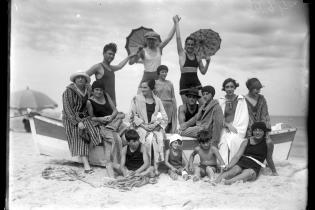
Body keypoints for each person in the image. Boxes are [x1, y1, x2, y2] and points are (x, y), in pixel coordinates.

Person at [62, 71, 101, 174]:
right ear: (74, 80)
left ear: (85, 81)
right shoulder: (69, 91)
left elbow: (92, 103)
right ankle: (86, 166)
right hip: (70, 118)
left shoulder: (88, 90)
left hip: (83, 116)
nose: (80, 79)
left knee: (95, 128)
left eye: (82, 78)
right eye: (78, 77)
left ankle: (91, 152)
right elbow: (67, 108)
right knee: (80, 133)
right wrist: (76, 122)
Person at [128, 79, 168, 176]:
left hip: (154, 126)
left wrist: (155, 125)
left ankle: (155, 166)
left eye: (145, 87)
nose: (142, 89)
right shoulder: (136, 99)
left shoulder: (157, 100)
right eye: (141, 87)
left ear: (151, 88)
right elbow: (132, 115)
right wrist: (143, 125)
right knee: (150, 138)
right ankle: (148, 165)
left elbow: (164, 116)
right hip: (140, 126)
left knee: (157, 136)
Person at [86, 80, 125, 178]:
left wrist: (111, 117)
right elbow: (91, 117)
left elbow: (115, 110)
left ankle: (113, 164)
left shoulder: (106, 95)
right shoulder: (89, 102)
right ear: (93, 91)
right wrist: (101, 119)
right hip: (103, 125)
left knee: (126, 137)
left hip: (114, 122)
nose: (99, 92)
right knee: (116, 140)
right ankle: (116, 165)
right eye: (97, 90)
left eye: (101, 90)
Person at [129, 15, 179, 88]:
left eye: (153, 39)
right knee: (140, 95)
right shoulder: (142, 51)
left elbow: (169, 38)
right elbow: (131, 62)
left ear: (156, 40)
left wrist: (175, 24)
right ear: (146, 40)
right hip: (147, 76)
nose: (151, 41)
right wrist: (137, 53)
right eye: (149, 39)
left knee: (157, 97)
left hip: (157, 75)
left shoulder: (159, 48)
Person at [174, 16, 211, 104]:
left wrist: (208, 63)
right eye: (188, 44)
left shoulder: (198, 56)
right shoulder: (182, 54)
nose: (190, 46)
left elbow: (203, 72)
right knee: (187, 108)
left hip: (196, 84)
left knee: (204, 105)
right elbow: (178, 39)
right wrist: (177, 23)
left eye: (192, 44)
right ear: (185, 45)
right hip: (184, 84)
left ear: (194, 46)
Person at [244, 78, 278, 175]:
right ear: (250, 88)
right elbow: (243, 116)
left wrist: (266, 132)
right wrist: (250, 131)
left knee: (268, 142)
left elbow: (265, 115)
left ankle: (272, 168)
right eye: (255, 88)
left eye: (259, 88)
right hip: (248, 129)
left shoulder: (262, 98)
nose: (258, 91)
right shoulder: (243, 99)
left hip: (261, 129)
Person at [218, 78, 249, 165]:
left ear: (235, 87)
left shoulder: (241, 100)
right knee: (223, 142)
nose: (229, 89)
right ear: (224, 88)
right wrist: (227, 125)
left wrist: (234, 127)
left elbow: (244, 117)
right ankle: (223, 166)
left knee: (233, 140)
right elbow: (218, 118)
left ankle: (232, 165)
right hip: (224, 127)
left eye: (232, 86)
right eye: (227, 87)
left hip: (237, 128)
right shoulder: (221, 100)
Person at [154, 65, 177, 133]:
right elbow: (153, 96)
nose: (165, 74)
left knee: (169, 124)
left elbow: (173, 96)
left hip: (170, 106)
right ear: (158, 73)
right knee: (160, 124)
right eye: (162, 72)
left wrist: (175, 107)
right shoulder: (155, 83)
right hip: (160, 106)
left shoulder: (170, 83)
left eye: (166, 72)